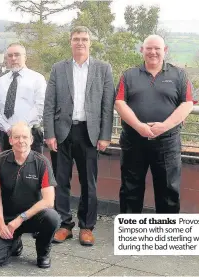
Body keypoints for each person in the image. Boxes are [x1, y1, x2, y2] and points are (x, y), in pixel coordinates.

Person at [43, 26, 115, 246]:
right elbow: (49, 104)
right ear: (70, 42)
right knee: (61, 181)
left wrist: (105, 135)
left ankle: (86, 227)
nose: (80, 42)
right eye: (76, 39)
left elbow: (107, 106)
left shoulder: (103, 69)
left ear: (90, 42)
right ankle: (64, 225)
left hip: (90, 133)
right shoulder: (58, 68)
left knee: (88, 183)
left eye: (84, 39)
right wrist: (50, 133)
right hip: (63, 132)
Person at [115, 35, 194, 214]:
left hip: (167, 142)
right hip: (133, 141)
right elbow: (119, 102)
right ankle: (130, 234)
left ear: (165, 50)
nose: (153, 52)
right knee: (130, 189)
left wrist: (164, 126)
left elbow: (187, 103)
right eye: (148, 48)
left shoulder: (179, 75)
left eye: (157, 48)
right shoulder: (129, 75)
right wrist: (139, 126)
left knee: (168, 191)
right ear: (142, 50)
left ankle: (164, 235)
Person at [0, 122, 60, 269]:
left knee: (52, 217)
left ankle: (43, 252)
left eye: (25, 137)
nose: (21, 141)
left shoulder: (42, 162)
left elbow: (49, 201)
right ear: (10, 140)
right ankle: (15, 242)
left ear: (31, 140)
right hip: (8, 219)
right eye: (16, 137)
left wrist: (20, 219)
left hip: (32, 217)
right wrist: (0, 223)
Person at [0, 43, 46, 153]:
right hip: (7, 135)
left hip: (31, 134)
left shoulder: (37, 79)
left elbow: (40, 106)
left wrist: (21, 129)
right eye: (10, 55)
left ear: (25, 57)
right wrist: (8, 129)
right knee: (7, 169)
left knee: (33, 169)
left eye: (17, 55)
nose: (13, 58)